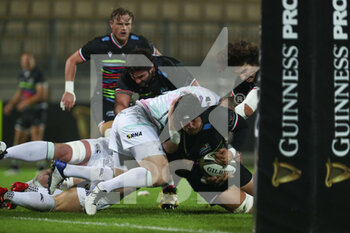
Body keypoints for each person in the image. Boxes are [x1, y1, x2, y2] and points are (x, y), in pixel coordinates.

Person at [60, 8, 161, 137]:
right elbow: (71, 60)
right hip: (105, 99)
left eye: (127, 24)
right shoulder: (99, 45)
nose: (124, 28)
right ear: (111, 24)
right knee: (112, 134)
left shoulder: (141, 43)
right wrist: (69, 90)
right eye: (119, 24)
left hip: (131, 100)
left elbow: (160, 62)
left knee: (140, 136)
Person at [163, 95, 254, 213]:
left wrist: (231, 152)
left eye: (193, 119)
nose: (190, 125)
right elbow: (174, 164)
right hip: (202, 179)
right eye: (185, 122)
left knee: (267, 196)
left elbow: (242, 127)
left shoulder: (216, 114)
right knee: (249, 207)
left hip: (227, 164)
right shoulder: (172, 132)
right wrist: (204, 179)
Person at [3, 53, 48, 173]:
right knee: (19, 136)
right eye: (24, 60)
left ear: (33, 61)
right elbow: (20, 92)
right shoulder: (22, 74)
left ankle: (41, 167)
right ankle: (15, 166)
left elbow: (41, 95)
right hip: (26, 111)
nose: (26, 62)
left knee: (36, 138)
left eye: (28, 60)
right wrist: (11, 104)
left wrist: (25, 103)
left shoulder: (38, 74)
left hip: (37, 110)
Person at [217, 40, 260, 119]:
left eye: (244, 71)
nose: (242, 77)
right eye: (238, 74)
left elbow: (247, 110)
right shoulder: (242, 80)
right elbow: (232, 102)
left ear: (254, 63)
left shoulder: (267, 73)